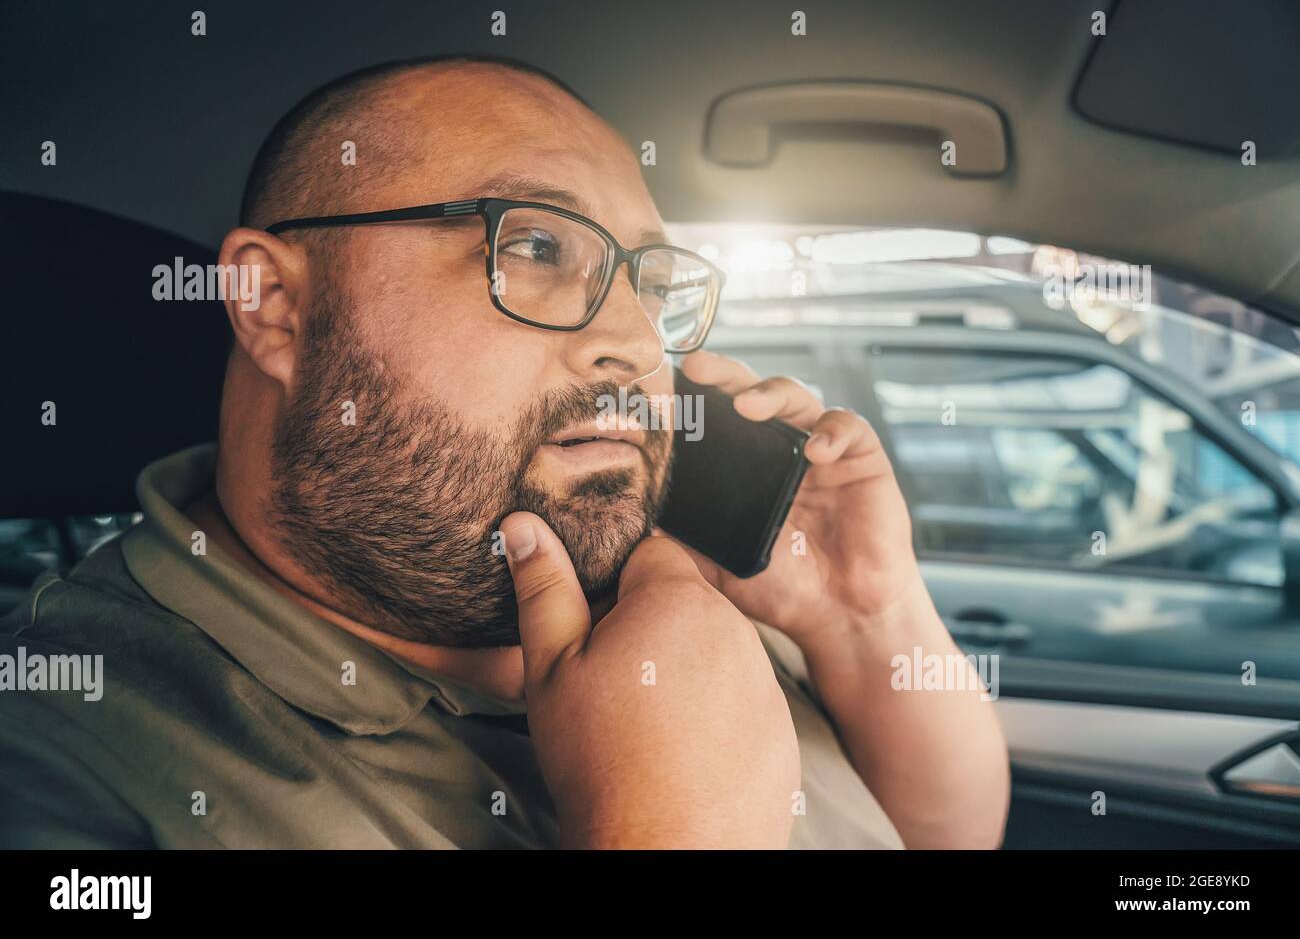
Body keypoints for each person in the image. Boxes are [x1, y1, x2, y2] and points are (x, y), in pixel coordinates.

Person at [0, 54, 1008, 849]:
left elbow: (936, 834)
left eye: (650, 281)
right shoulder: (62, 750)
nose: (635, 336)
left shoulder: (681, 599)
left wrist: (866, 615)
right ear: (274, 304)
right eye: (532, 245)